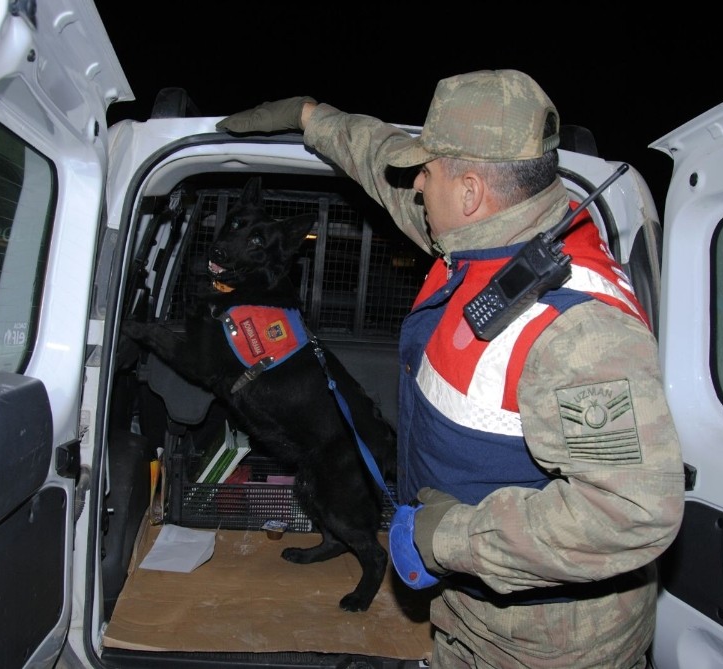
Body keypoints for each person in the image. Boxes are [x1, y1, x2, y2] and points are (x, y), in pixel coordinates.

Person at [217, 70, 685, 668]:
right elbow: (383, 165)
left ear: (469, 192)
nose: (415, 186)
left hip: (541, 648)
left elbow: (632, 512)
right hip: (475, 614)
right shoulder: (493, 232)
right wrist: (313, 117)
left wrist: (449, 540)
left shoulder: (580, 333)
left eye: (427, 173)